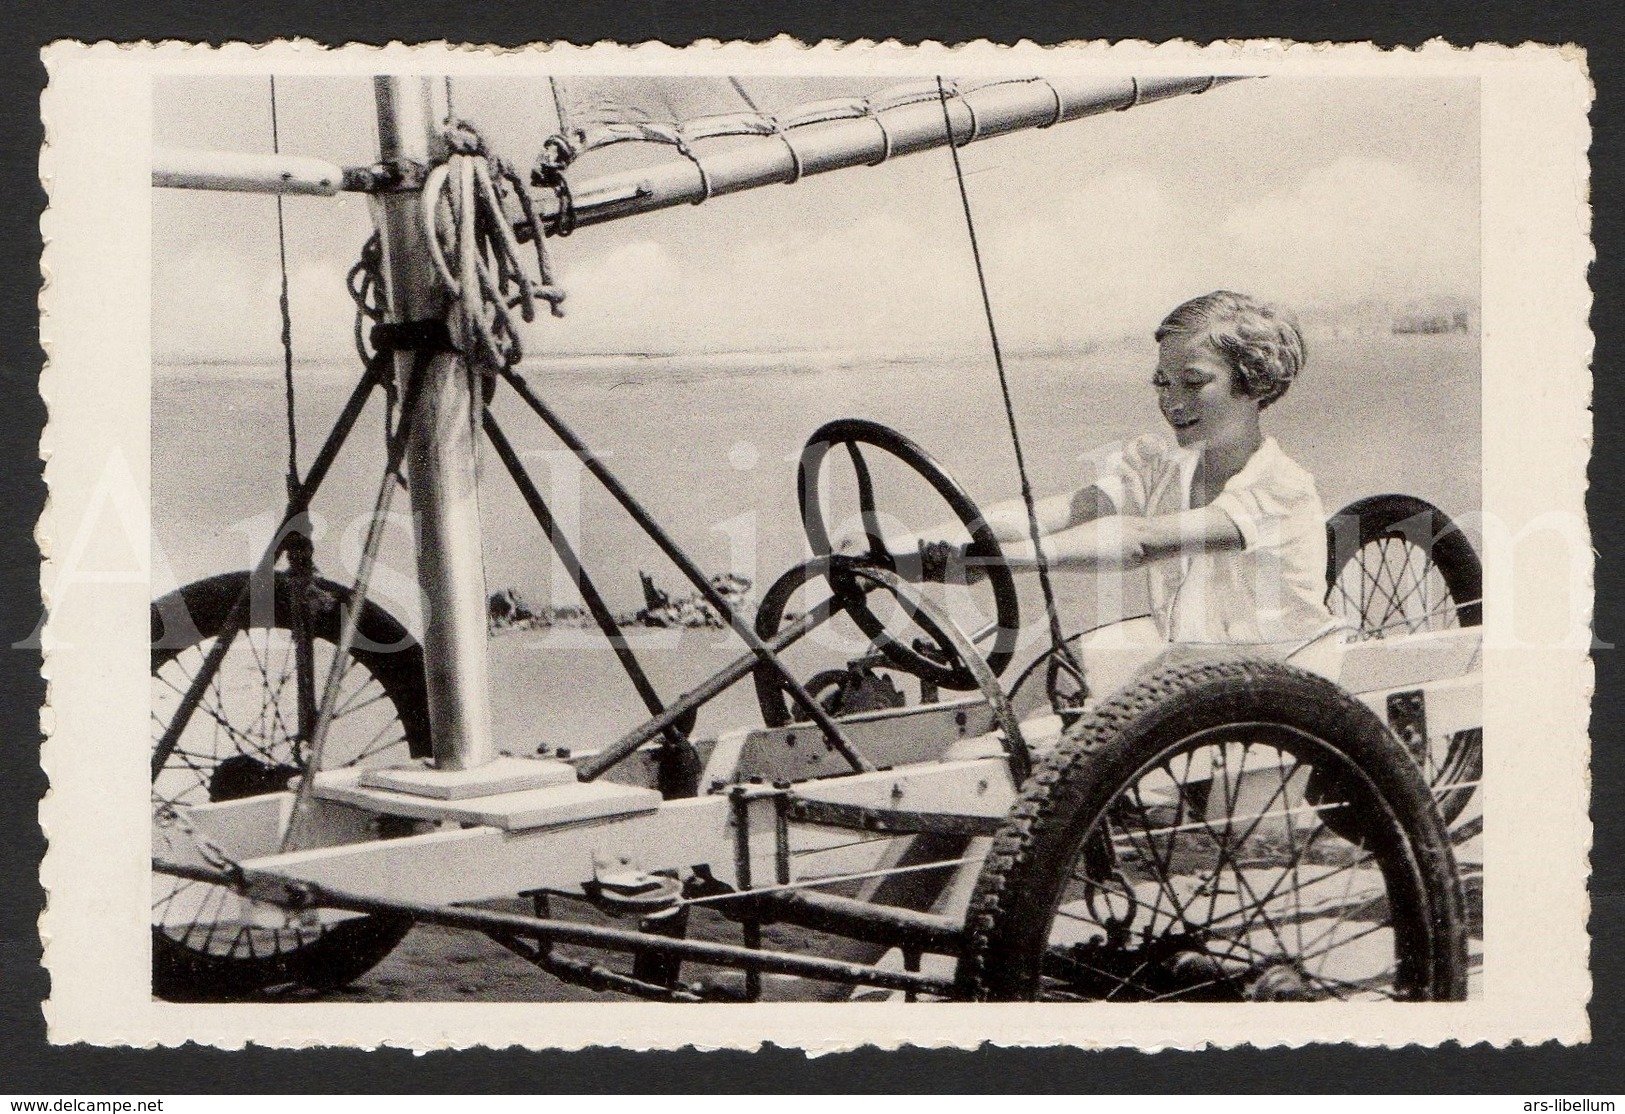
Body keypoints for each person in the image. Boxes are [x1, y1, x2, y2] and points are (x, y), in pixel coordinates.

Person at [871, 290, 1336, 647]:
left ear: (1255, 383)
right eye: (1163, 382)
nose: (1172, 402)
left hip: (1286, 694)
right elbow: (1046, 516)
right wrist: (897, 548)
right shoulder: (1161, 470)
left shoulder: (1281, 489)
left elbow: (1140, 541)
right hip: (1199, 685)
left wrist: (997, 561)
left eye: (1193, 382)